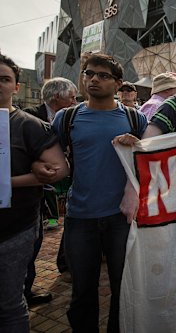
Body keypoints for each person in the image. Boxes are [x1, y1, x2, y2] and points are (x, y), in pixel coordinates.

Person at [52, 52, 148, 333]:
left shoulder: (135, 119)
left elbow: (152, 160)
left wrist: (137, 148)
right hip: (79, 218)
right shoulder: (66, 117)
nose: (94, 79)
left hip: (122, 219)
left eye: (103, 75)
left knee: (123, 288)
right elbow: (54, 160)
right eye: (89, 73)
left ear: (118, 83)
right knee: (82, 289)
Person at [0, 53, 69, 332]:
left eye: (4, 79)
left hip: (13, 229)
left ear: (17, 87)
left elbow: (59, 169)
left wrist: (8, 182)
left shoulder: (30, 125)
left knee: (9, 303)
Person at [22, 77, 77, 305]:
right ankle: (21, 293)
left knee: (35, 240)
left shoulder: (70, 118)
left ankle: (26, 290)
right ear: (56, 97)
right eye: (71, 97)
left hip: (48, 188)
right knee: (28, 242)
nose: (75, 101)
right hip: (28, 190)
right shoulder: (29, 118)